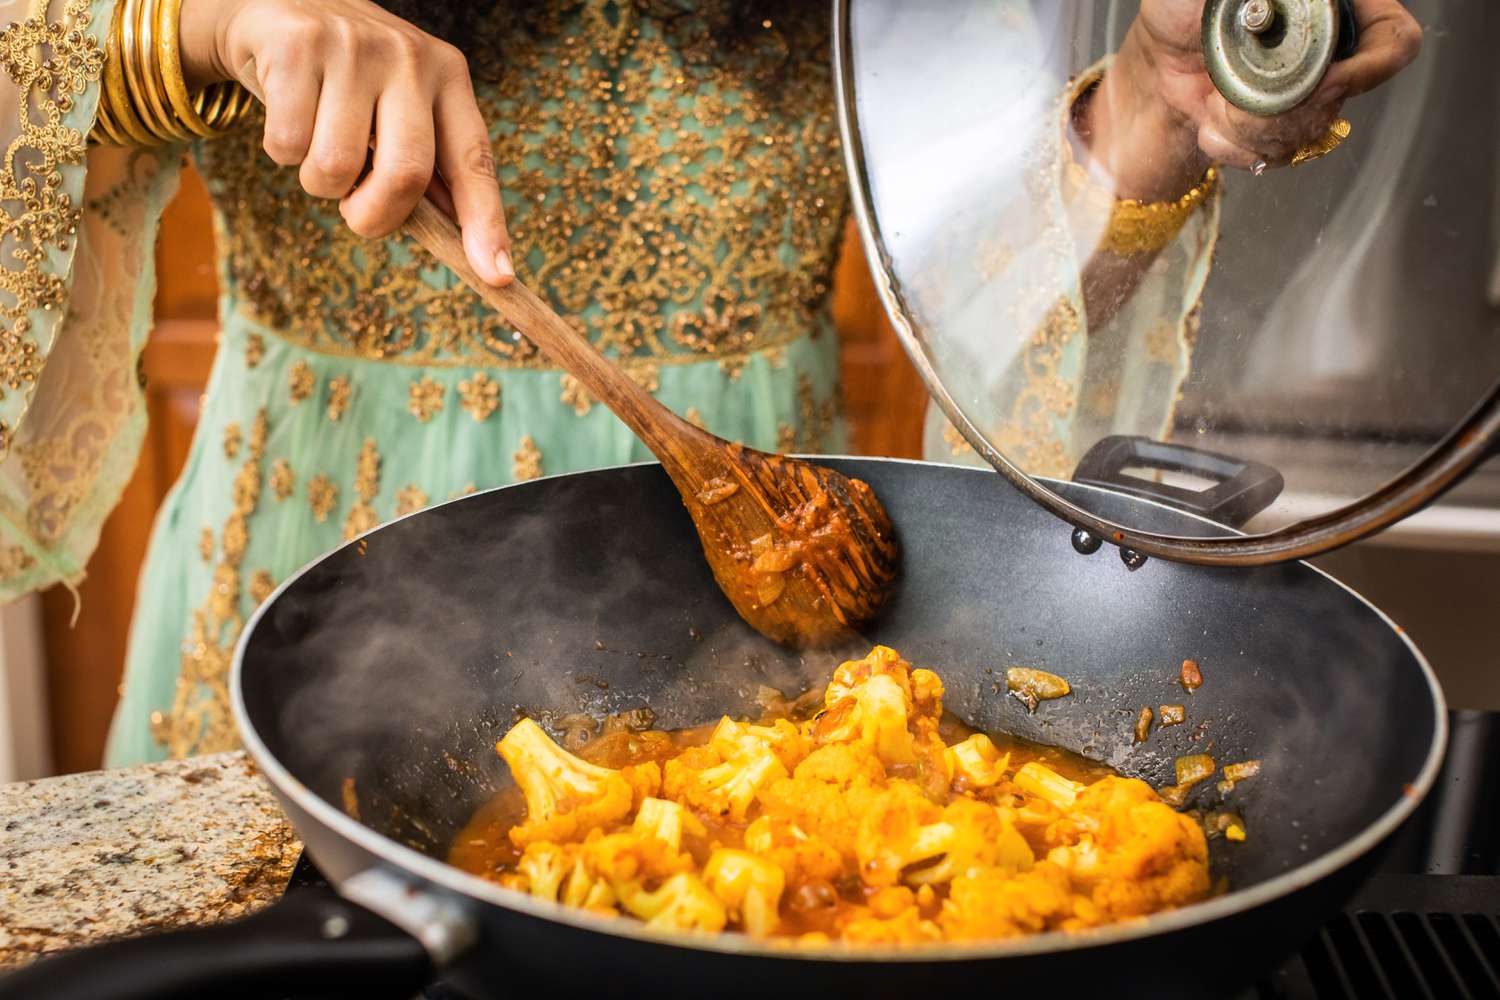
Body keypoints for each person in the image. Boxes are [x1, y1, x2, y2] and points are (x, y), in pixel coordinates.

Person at [0, 0, 1420, 766]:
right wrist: (191, 23)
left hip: (756, 575)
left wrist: (1153, 122)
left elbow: (978, 269)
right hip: (309, 556)